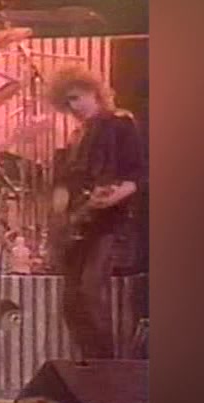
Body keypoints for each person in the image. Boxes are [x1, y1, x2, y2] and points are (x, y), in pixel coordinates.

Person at [44, 65, 144, 359]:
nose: (73, 107)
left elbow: (138, 174)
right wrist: (62, 209)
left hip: (110, 223)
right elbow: (67, 182)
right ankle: (91, 361)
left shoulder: (120, 124)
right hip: (81, 225)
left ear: (94, 92)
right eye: (67, 103)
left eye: (76, 98)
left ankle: (105, 366)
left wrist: (115, 196)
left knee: (90, 292)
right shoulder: (79, 136)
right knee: (71, 301)